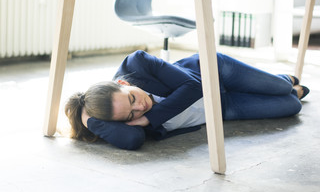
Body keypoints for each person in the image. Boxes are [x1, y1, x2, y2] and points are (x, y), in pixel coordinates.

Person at [65, 50, 309, 150]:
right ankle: (287, 89)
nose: (140, 108)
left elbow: (194, 86)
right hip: (221, 108)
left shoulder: (136, 63)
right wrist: (88, 118)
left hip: (216, 73)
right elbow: (131, 139)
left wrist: (149, 118)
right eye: (131, 115)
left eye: (132, 99)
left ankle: (282, 80)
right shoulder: (118, 117)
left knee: (280, 87)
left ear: (123, 83)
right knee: (291, 105)